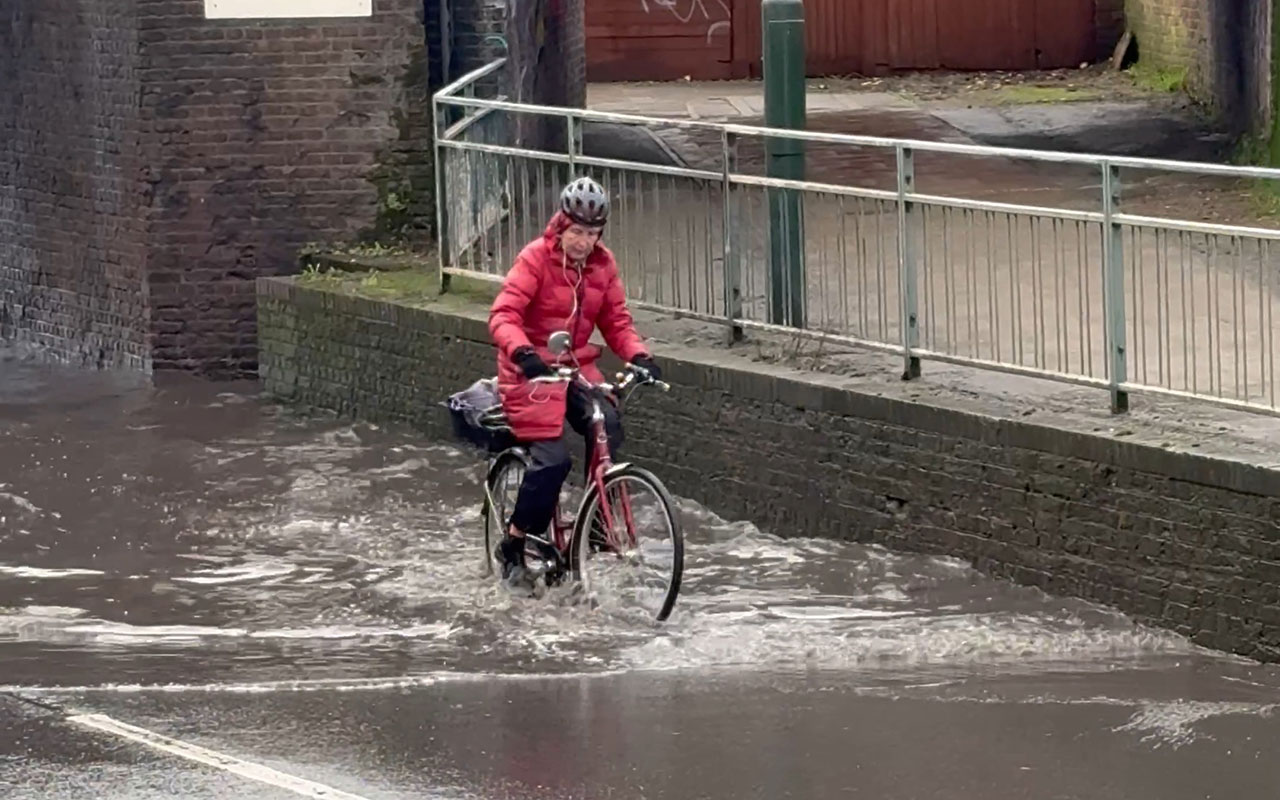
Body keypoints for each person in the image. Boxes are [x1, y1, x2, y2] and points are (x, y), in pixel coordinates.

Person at [488, 176, 661, 586]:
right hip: (528, 374)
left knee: (608, 424)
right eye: (577, 232)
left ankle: (594, 526)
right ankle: (515, 540)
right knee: (553, 460)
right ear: (561, 226)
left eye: (592, 234)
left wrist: (639, 355)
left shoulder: (603, 265)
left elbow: (616, 321)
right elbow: (503, 315)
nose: (583, 242)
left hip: (577, 369)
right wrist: (524, 354)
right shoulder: (535, 259)